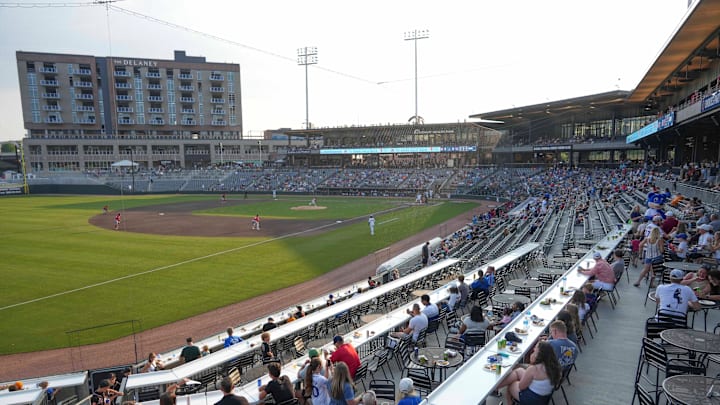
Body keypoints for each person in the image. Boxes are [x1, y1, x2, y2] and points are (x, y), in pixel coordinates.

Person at [497, 341, 561, 405]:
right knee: (519, 370)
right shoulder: (554, 366)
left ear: (538, 354)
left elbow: (521, 386)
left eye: (534, 350)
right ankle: (497, 387)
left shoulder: (534, 368)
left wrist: (532, 362)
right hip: (545, 397)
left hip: (532, 399)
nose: (533, 351)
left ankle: (508, 401)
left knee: (511, 384)